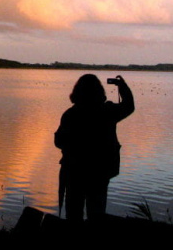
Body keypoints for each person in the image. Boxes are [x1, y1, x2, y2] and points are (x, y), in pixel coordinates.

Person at [54, 74, 134, 224]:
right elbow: (129, 106)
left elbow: (59, 141)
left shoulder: (71, 114)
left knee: (73, 214)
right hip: (100, 170)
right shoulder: (107, 112)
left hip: (74, 170)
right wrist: (122, 87)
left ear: (76, 92)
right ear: (100, 92)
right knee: (96, 214)